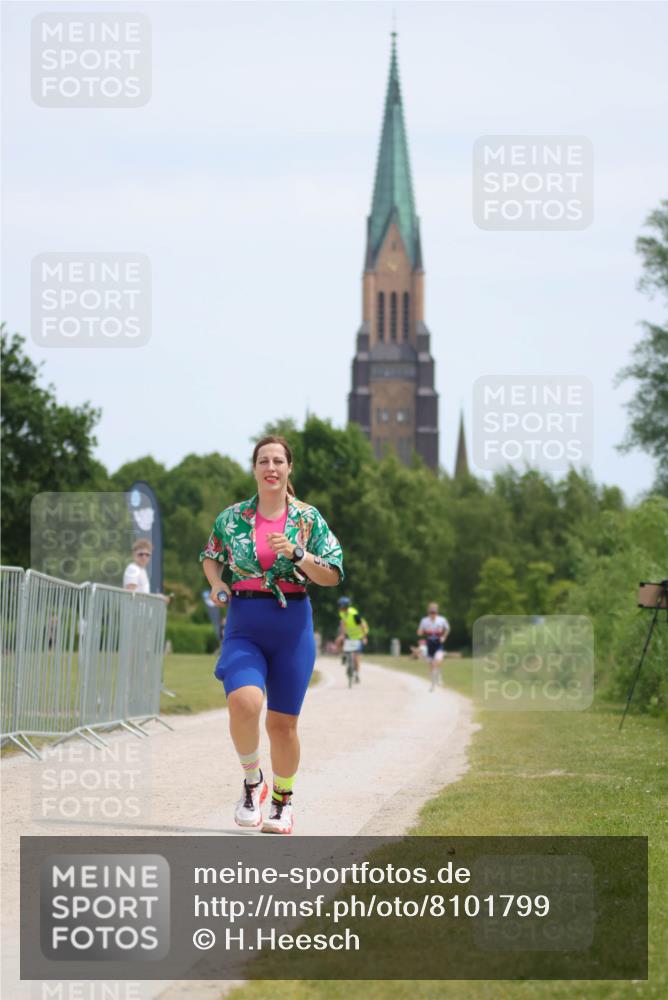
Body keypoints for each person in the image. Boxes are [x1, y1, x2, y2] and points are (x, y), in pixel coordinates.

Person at [200, 435, 343, 835]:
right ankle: (252, 783)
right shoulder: (231, 519)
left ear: (289, 468)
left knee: (282, 726)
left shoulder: (308, 519)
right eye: (264, 460)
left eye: (278, 460)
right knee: (244, 703)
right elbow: (210, 557)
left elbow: (332, 574)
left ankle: (283, 802)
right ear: (254, 468)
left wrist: (298, 553)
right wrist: (216, 584)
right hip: (245, 620)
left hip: (292, 623)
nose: (271, 467)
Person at [417, 602, 450, 691]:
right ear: (428, 613)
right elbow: (419, 631)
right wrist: (420, 632)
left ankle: (439, 677)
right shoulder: (424, 620)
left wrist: (444, 637)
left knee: (437, 661)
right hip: (430, 645)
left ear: (437, 612)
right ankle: (433, 682)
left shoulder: (442, 620)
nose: (433, 614)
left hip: (439, 645)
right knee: (431, 665)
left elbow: (447, 629)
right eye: (431, 613)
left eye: (434, 613)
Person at [336, 597, 368, 683]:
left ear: (344, 606)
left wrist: (364, 637)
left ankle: (357, 674)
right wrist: (342, 635)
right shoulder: (342, 613)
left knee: (356, 656)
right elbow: (343, 624)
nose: (339, 607)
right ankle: (344, 655)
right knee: (338, 641)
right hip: (349, 635)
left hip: (358, 636)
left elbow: (362, 625)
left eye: (340, 606)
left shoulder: (353, 614)